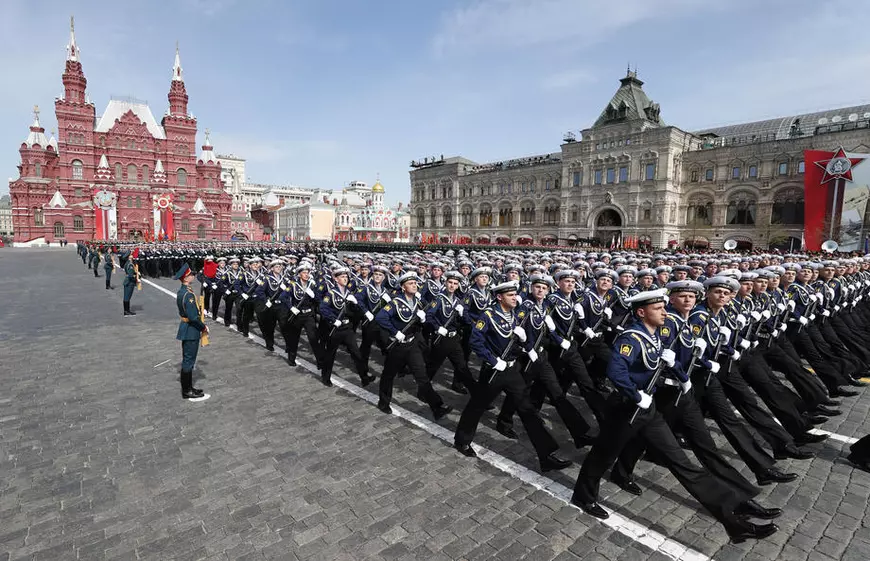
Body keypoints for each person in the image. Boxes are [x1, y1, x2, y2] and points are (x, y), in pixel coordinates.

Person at [570, 289, 778, 543]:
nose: (664, 312)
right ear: (641, 312)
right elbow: (616, 371)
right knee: (601, 457)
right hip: (627, 409)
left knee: (683, 464)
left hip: (650, 411)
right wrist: (636, 396)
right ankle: (584, 495)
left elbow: (668, 361)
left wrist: (681, 376)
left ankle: (732, 520)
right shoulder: (632, 337)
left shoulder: (655, 336)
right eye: (658, 309)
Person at [453, 280, 572, 473]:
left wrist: (525, 343)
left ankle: (545, 455)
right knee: (477, 406)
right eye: (510, 295)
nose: (515, 298)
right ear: (499, 297)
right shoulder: (488, 316)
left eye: (515, 294)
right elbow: (476, 342)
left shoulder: (515, 316)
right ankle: (462, 440)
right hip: (493, 371)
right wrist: (492, 360)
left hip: (511, 370)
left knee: (527, 410)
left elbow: (516, 342)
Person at [375, 272, 451, 418]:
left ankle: (437, 407)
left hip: (412, 345)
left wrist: (422, 321)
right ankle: (383, 402)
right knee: (388, 375)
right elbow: (381, 317)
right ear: (403, 287)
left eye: (415, 283)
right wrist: (394, 331)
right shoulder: (396, 302)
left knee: (422, 376)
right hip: (398, 346)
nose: (414, 285)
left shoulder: (418, 302)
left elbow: (421, 322)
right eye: (410, 283)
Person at [174, 263, 208, 399]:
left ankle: (189, 387)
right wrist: (203, 327)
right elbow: (193, 317)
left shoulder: (184, 291)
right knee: (189, 360)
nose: (193, 276)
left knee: (189, 359)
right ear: (186, 278)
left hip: (188, 328)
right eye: (191, 274)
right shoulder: (187, 294)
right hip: (190, 329)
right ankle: (186, 390)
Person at [122, 249, 139, 317]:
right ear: (129, 257)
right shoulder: (130, 264)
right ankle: (126, 312)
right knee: (127, 297)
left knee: (126, 297)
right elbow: (131, 275)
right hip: (129, 282)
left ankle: (127, 311)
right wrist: (137, 279)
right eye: (131, 254)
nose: (133, 255)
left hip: (127, 281)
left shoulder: (128, 263)